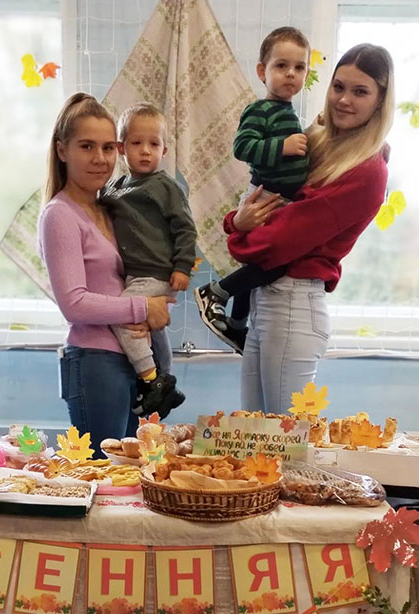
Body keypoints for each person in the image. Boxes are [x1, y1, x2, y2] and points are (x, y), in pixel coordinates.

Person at [222, 43, 395, 413]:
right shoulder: (318, 143)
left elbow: (281, 239)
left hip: (294, 304)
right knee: (254, 438)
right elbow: (263, 200)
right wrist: (236, 222)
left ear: (380, 101)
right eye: (338, 87)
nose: (344, 100)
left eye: (360, 91)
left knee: (286, 443)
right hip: (267, 300)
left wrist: (236, 234)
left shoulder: (368, 170)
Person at [38, 93, 177, 455]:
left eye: (107, 147)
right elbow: (74, 303)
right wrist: (143, 309)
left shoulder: (112, 208)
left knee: (130, 474)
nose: (100, 158)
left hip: (133, 360)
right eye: (87, 146)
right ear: (62, 150)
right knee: (102, 473)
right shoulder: (60, 215)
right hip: (95, 361)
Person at [194, 26, 312, 355]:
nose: (291, 74)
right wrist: (283, 146)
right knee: (275, 263)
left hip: (280, 201)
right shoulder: (259, 110)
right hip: (264, 199)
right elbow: (243, 147)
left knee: (261, 263)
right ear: (262, 71)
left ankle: (236, 325)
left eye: (299, 67)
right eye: (281, 66)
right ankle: (216, 292)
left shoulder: (287, 112)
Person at [100, 103, 196, 416]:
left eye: (153, 144)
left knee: (124, 316)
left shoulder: (165, 187)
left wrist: (182, 266)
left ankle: (151, 379)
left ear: (163, 150)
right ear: (121, 148)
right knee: (152, 328)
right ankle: (166, 375)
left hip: (155, 273)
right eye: (136, 143)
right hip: (133, 273)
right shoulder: (114, 188)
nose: (145, 151)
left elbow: (185, 227)